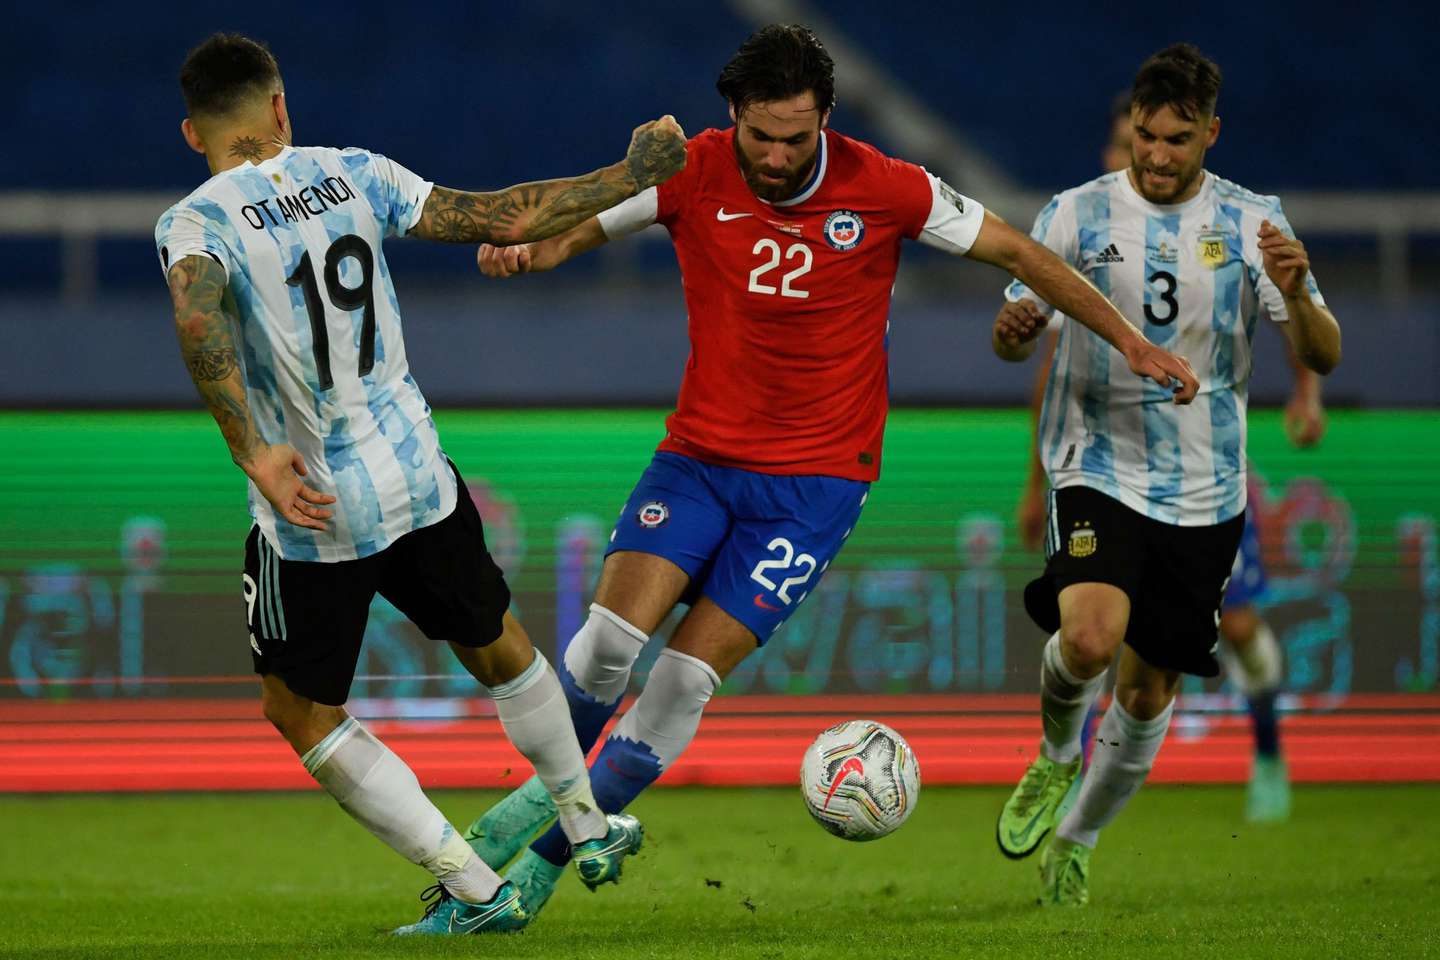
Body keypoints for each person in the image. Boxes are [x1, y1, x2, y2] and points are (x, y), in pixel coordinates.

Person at [455, 23, 1199, 921]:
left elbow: (1020, 252)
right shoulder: (694, 166)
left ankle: (532, 876)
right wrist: (530, 252)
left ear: (826, 119)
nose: (773, 157)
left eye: (794, 138)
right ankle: (554, 802)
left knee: (684, 681)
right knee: (607, 646)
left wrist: (1129, 339)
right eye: (758, 136)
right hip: (698, 460)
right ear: (733, 115)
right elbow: (584, 230)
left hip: (815, 488)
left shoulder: (885, 186)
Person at [156, 33, 686, 935]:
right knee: (500, 644)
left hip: (315, 508)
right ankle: (586, 826)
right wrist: (630, 172)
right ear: (281, 107)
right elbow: (507, 217)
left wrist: (252, 448)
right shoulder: (353, 171)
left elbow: (196, 312)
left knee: (298, 706)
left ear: (191, 133)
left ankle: (476, 889)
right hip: (417, 476)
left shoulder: (196, 220)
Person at [991, 43, 1341, 906]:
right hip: (1096, 464)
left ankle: (1078, 840)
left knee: (1147, 695)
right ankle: (1056, 756)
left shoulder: (1256, 224)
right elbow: (1012, 334)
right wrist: (1014, 332)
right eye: (1144, 137)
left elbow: (1323, 354)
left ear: (1211, 134)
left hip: (1205, 490)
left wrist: (1297, 296)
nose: (1154, 156)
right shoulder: (1073, 215)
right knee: (1088, 640)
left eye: (1176, 140)